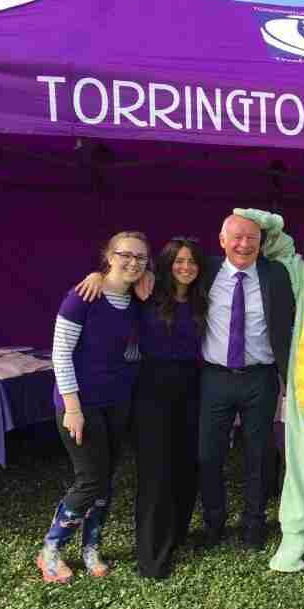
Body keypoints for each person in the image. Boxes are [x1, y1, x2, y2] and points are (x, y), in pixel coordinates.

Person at [37, 231, 148, 583]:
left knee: (105, 480)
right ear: (109, 256)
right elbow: (60, 353)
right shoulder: (83, 296)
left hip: (117, 402)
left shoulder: (135, 301)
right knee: (90, 479)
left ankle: (91, 548)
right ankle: (50, 550)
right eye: (125, 254)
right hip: (81, 405)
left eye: (141, 258)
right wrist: (72, 407)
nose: (133, 262)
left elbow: (128, 349)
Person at [198, 213, 294, 549]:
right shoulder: (205, 271)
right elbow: (165, 278)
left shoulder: (276, 274)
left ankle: (254, 524)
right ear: (222, 240)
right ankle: (214, 523)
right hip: (214, 378)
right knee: (208, 455)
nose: (244, 244)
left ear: (261, 242)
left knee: (259, 456)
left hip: (260, 378)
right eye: (237, 237)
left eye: (252, 238)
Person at [130, 237, 207, 578]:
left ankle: (175, 536)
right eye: (179, 261)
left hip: (192, 385)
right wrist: (97, 276)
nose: (186, 267)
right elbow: (115, 280)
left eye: (192, 261)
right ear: (167, 264)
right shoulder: (147, 292)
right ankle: (151, 555)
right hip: (152, 387)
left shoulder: (201, 298)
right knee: (155, 472)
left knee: (185, 467)